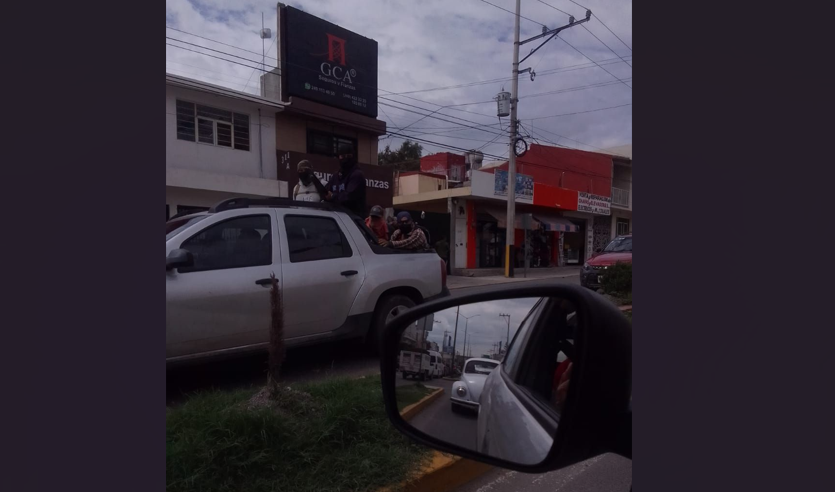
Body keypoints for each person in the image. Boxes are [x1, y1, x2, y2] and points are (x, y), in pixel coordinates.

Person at [324, 152, 366, 217]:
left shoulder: (357, 175)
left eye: (346, 156)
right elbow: (326, 190)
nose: (343, 159)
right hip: (336, 217)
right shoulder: (336, 176)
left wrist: (332, 196)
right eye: (341, 156)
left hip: (353, 218)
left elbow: (349, 196)